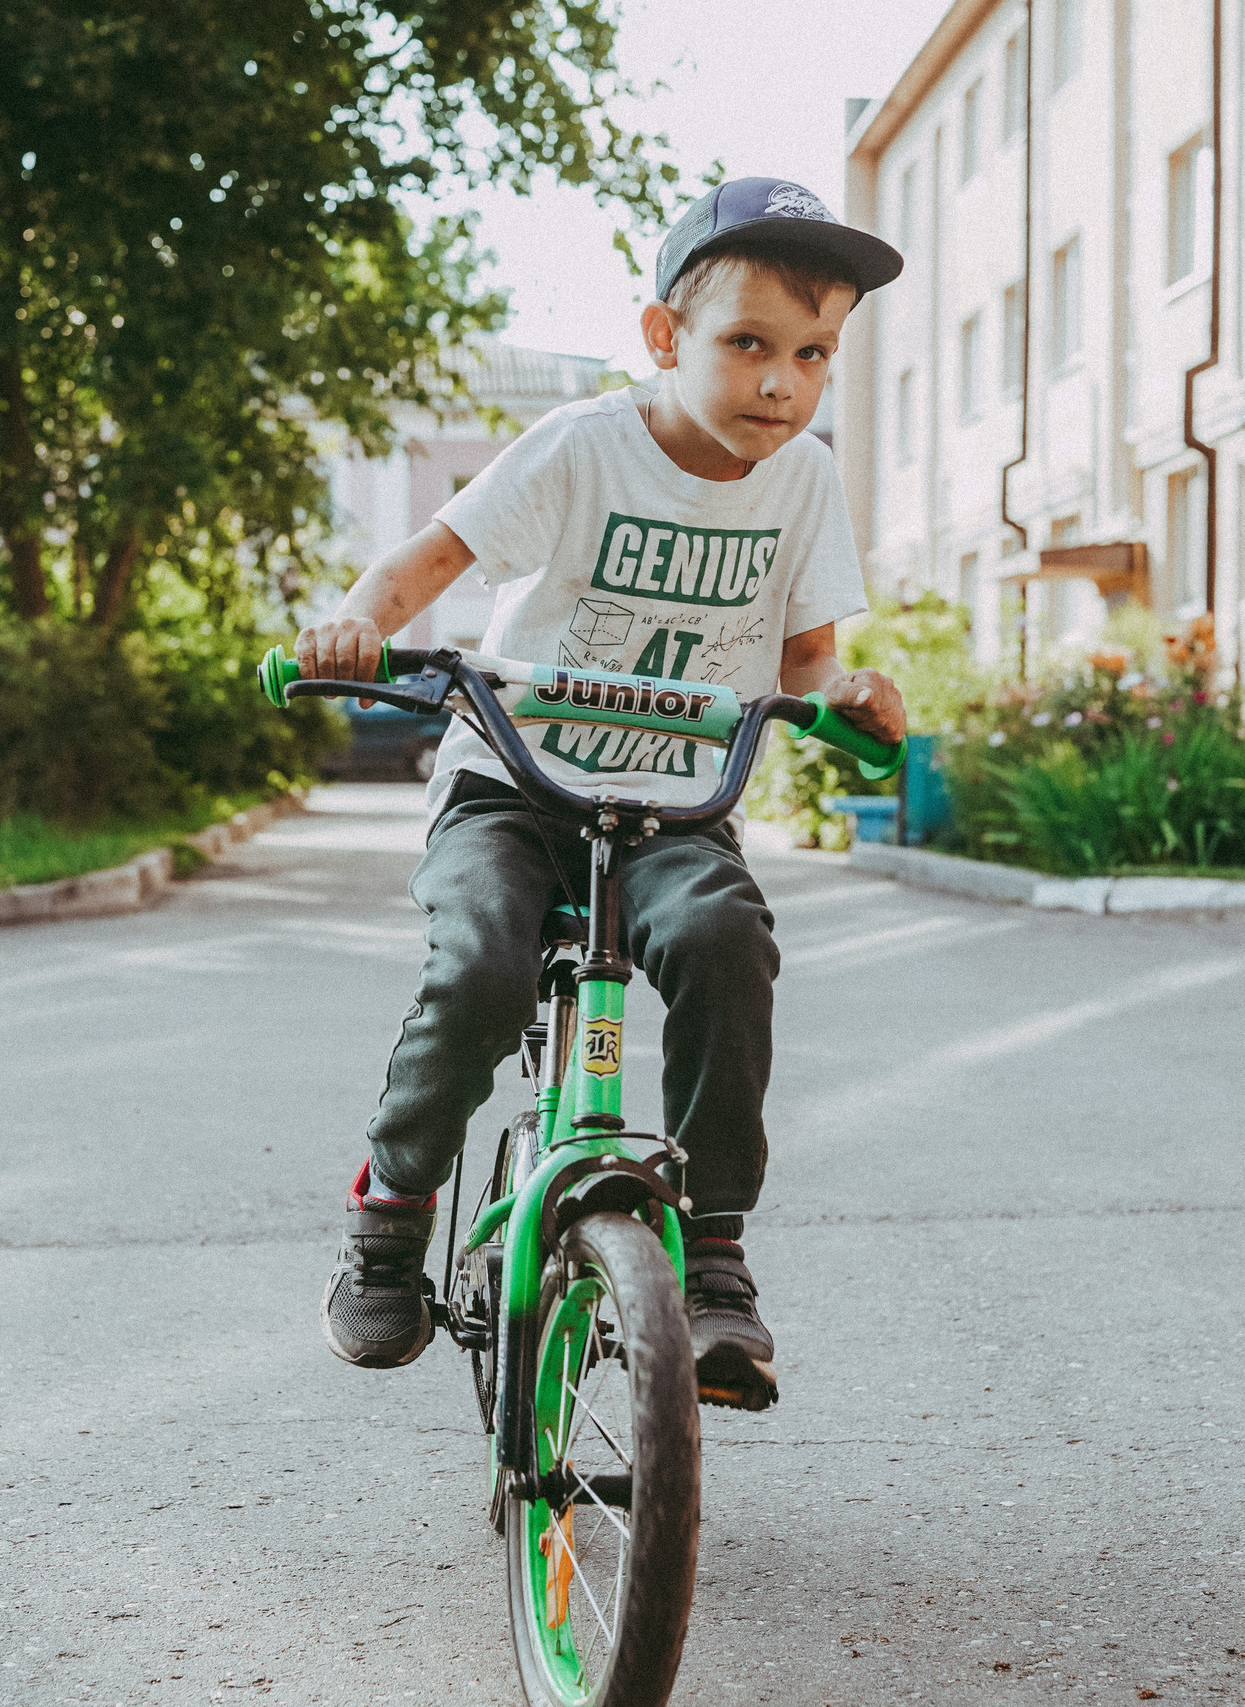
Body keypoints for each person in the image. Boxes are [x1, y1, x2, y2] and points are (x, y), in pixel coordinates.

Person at [301, 178, 907, 1410]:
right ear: (664, 337)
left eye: (813, 355)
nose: (781, 383)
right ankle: (393, 1206)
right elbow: (434, 558)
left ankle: (717, 1249)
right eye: (748, 344)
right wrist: (360, 623)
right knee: (477, 962)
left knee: (725, 939)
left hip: (677, 804)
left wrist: (847, 697)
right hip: (517, 785)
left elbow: (805, 660)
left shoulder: (802, 485)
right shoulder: (584, 445)